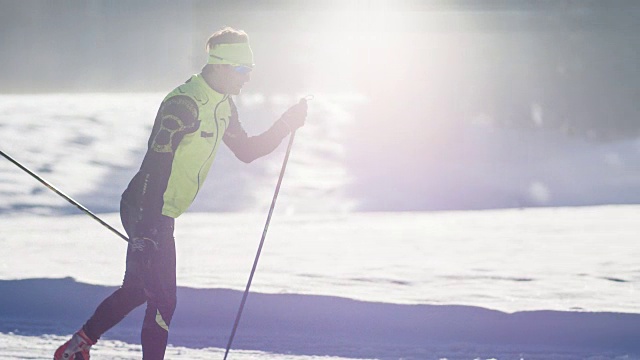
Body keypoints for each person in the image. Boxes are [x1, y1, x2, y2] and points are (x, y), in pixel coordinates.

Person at [54, 27, 307, 360]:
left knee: (137, 291)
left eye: (251, 71)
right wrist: (146, 231)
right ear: (220, 65)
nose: (247, 79)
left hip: (161, 210)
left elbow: (247, 150)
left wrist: (285, 124)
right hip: (146, 206)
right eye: (242, 70)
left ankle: (76, 347)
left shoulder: (223, 106)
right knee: (163, 299)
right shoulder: (184, 104)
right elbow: (153, 167)